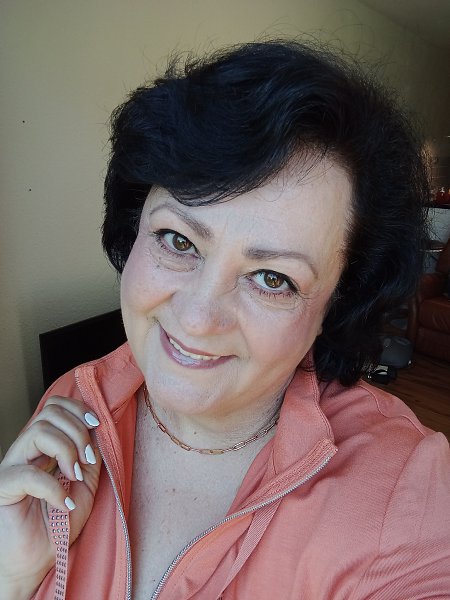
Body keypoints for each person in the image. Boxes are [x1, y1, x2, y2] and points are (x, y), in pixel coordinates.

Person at [0, 40, 449, 600]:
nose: (196, 317)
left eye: (272, 278)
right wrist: (14, 577)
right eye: (177, 240)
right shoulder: (75, 402)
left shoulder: (405, 492)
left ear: (335, 306)